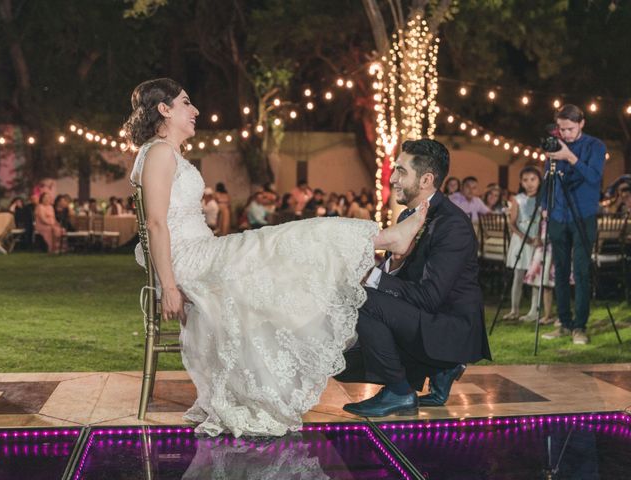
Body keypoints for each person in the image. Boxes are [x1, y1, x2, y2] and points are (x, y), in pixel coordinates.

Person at [124, 78, 427, 437]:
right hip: (190, 261)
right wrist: (170, 287)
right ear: (164, 109)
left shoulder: (167, 153)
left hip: (202, 253)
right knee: (284, 240)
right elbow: (157, 223)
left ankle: (383, 239)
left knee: (280, 248)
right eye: (186, 103)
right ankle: (387, 238)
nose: (195, 111)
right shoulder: (158, 152)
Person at [337, 139, 491, 416]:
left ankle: (399, 391)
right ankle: (439, 369)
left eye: (400, 171)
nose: (392, 178)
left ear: (426, 180)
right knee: (340, 365)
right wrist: (393, 264)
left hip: (450, 327)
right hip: (423, 317)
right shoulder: (410, 215)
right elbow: (401, 279)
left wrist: (370, 277)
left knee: (360, 297)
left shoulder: (452, 224)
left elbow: (430, 296)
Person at [541, 104, 606, 345]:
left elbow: (594, 177)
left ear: (581, 123)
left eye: (569, 128)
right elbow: (548, 176)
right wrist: (544, 206)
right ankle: (564, 323)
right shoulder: (556, 143)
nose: (564, 134)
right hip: (558, 215)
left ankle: (580, 326)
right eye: (561, 129)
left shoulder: (595, 146)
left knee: (580, 271)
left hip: (583, 215)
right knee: (559, 271)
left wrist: (570, 156)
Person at [502, 167, 542, 322]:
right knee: (518, 276)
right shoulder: (517, 198)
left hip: (537, 240)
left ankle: (534, 311)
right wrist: (523, 236)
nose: (530, 183)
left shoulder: (542, 199)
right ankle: (514, 309)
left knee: (535, 276)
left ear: (539, 180)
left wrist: (538, 237)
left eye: (533, 179)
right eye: (526, 180)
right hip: (521, 240)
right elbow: (512, 223)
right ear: (521, 182)